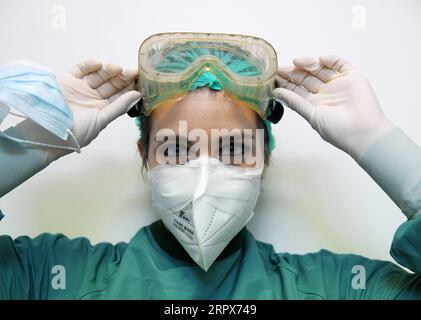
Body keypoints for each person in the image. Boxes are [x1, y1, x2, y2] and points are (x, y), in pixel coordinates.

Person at [0, 33, 420, 300]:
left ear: (265, 160)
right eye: (177, 148)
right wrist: (35, 142)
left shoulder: (338, 289)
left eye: (235, 148)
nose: (203, 177)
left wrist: (377, 142)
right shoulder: (50, 277)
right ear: (145, 156)